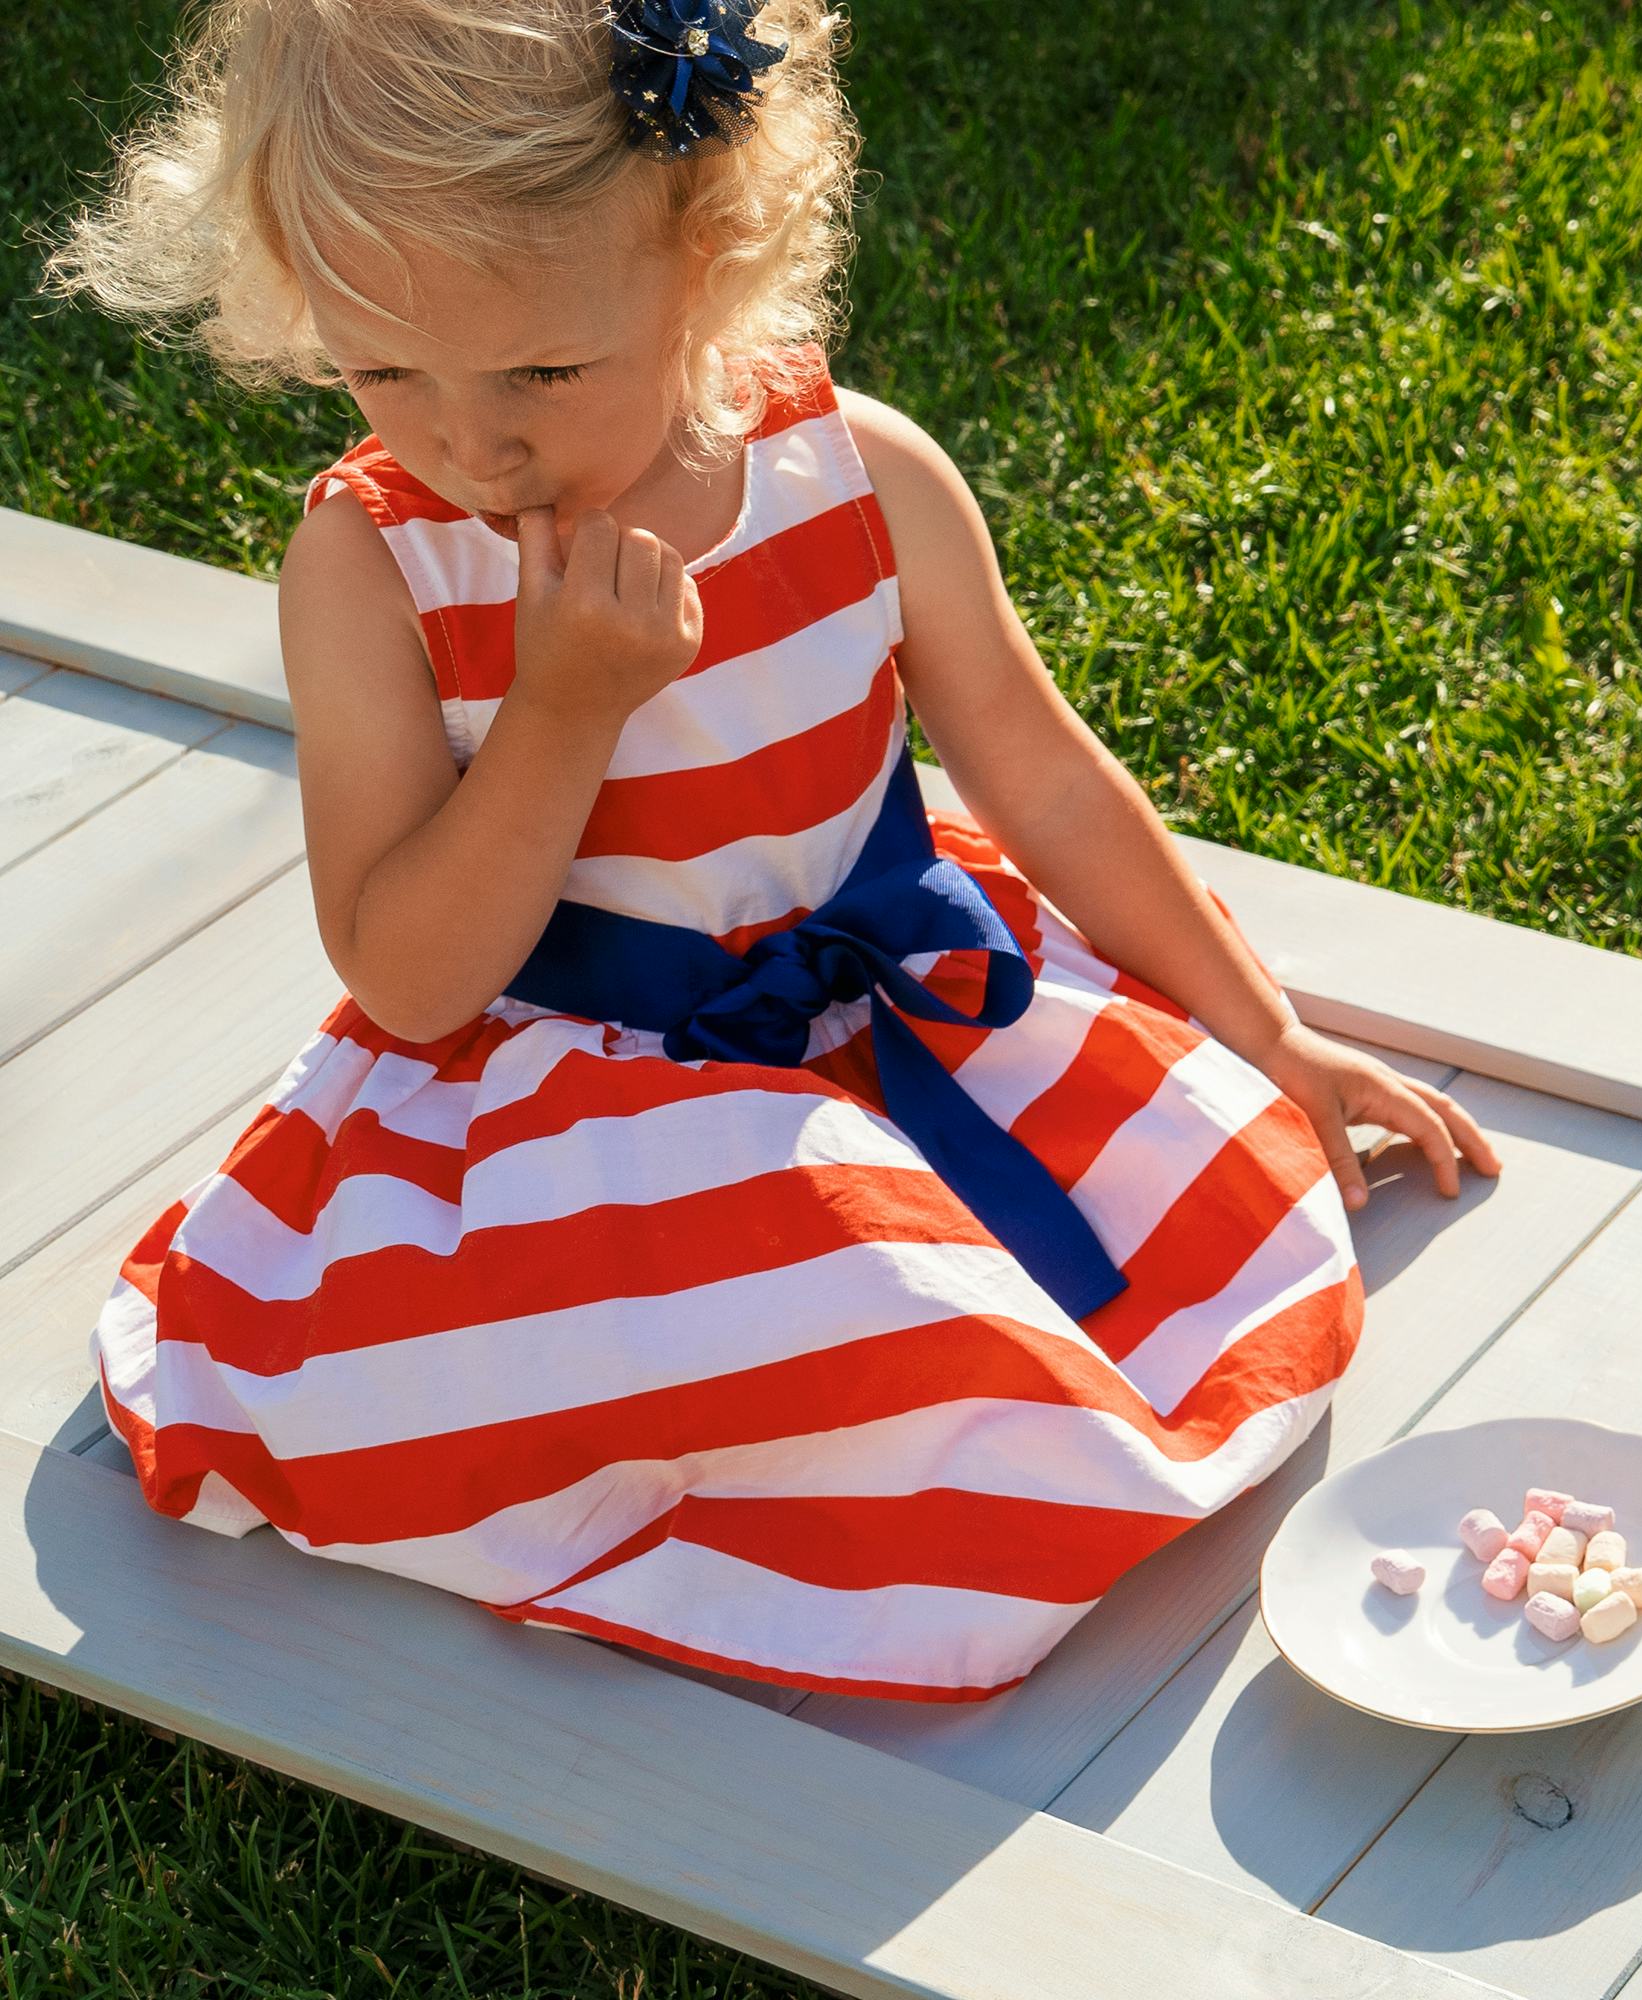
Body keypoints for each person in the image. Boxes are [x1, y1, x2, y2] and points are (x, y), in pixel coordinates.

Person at [37, 0, 1498, 1702]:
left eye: (539, 370)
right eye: (384, 370)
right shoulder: (376, 572)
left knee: (1171, 1232)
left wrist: (1267, 1033)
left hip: (905, 1010)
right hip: (582, 1118)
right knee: (837, 1330)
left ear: (707, 256)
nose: (469, 440)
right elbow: (413, 980)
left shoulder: (852, 474)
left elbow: (1043, 777)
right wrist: (562, 710)